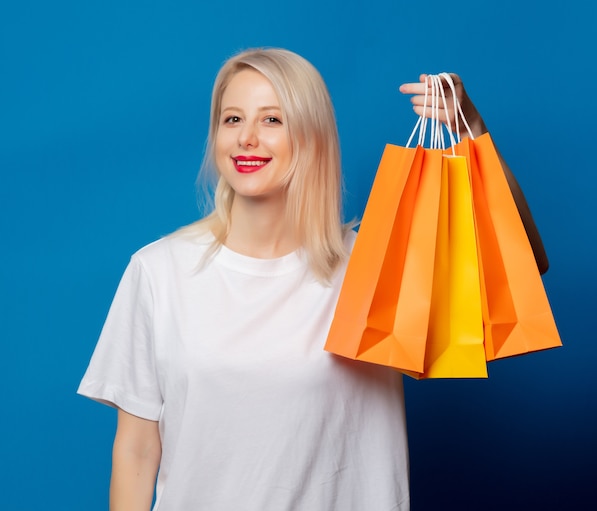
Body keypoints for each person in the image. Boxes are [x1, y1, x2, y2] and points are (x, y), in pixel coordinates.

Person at [77, 47, 548, 510]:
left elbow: (522, 262)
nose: (246, 138)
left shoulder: (377, 265)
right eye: (233, 119)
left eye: (272, 120)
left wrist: (472, 131)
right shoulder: (160, 271)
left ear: (312, 137)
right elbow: (137, 449)